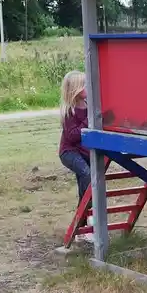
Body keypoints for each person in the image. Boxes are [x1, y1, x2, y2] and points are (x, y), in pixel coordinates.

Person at [58, 70, 93, 242]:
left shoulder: (89, 105)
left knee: (87, 188)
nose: (88, 87)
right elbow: (72, 136)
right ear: (75, 90)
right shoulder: (69, 111)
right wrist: (89, 119)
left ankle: (82, 226)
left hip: (85, 153)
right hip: (69, 152)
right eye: (84, 85)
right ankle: (86, 221)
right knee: (87, 175)